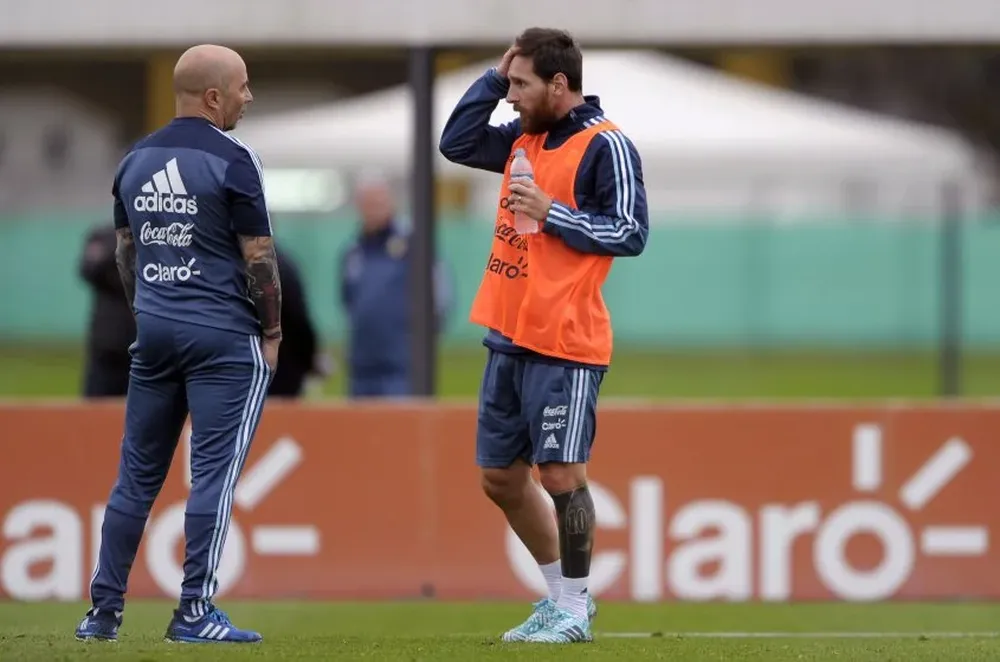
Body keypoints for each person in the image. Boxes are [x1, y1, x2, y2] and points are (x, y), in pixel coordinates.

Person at [439, 28, 649, 643]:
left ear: (559, 84)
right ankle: (558, 597)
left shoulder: (605, 145)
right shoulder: (522, 139)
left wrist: (551, 214)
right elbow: (456, 143)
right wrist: (491, 77)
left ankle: (577, 607)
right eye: (508, 85)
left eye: (521, 85)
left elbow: (631, 231)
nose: (511, 98)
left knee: (561, 474)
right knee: (501, 478)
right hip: (510, 330)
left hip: (565, 338)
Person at [75, 44, 279, 644]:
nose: (249, 96)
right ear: (213, 96)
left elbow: (125, 252)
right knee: (212, 476)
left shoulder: (134, 159)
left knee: (134, 477)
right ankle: (193, 612)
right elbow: (259, 259)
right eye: (243, 86)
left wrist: (150, 313)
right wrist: (272, 332)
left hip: (155, 334)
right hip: (222, 338)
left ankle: (102, 614)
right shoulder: (236, 159)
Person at [339, 171, 453, 397]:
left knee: (400, 429)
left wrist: (420, 343)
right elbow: (349, 299)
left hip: (402, 366)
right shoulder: (354, 251)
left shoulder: (413, 245)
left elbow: (441, 295)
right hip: (362, 365)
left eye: (378, 201)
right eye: (367, 203)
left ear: (391, 202)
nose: (373, 208)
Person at [78, 224, 137, 397]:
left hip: (140, 336)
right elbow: (89, 269)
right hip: (108, 339)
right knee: (94, 406)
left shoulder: (150, 233)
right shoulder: (103, 235)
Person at [268, 245, 328, 398]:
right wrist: (309, 360)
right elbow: (298, 320)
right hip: (280, 372)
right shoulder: (281, 264)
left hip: (243, 372)